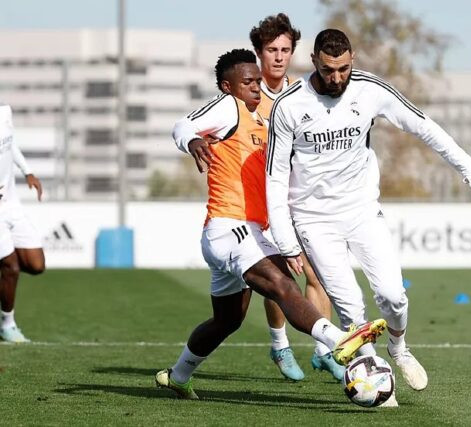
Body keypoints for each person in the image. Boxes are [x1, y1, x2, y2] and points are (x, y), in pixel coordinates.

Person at [266, 30, 471, 394]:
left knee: (392, 295)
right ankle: (375, 381)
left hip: (361, 209)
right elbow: (275, 178)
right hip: (313, 219)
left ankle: (399, 348)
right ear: (313, 62)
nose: (337, 78)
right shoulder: (289, 106)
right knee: (351, 308)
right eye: (328, 70)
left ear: (352, 60)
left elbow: (424, 127)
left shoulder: (369, 89)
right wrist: (286, 241)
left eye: (343, 69)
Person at [155, 49, 386, 400]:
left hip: (250, 230)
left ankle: (179, 375)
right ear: (227, 86)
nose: (255, 88)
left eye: (257, 82)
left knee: (227, 320)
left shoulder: (262, 120)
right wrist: (193, 139)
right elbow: (182, 124)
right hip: (229, 227)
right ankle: (338, 340)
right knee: (282, 285)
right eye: (247, 82)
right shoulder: (227, 107)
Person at [250, 13, 343, 381]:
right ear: (259, 52)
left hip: (300, 199)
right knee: (279, 280)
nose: (279, 56)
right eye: (272, 49)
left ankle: (323, 351)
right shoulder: (245, 91)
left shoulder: (303, 92)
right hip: (261, 202)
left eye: (286, 49)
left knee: (320, 278)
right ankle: (280, 345)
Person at [0, 102, 46, 343]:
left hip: (11, 204)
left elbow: (9, 143)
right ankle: (7, 324)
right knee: (11, 267)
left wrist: (27, 171)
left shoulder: (5, 111)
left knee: (36, 264)